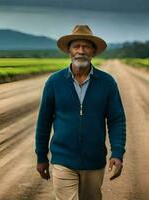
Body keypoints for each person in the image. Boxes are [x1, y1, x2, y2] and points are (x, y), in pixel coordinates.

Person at [35, 25, 126, 200]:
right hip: (63, 160)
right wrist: (41, 156)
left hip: (95, 161)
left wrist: (117, 152)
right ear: (69, 51)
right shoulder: (54, 82)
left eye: (86, 46)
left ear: (93, 52)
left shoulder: (107, 83)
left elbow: (116, 120)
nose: (81, 51)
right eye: (76, 46)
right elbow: (44, 121)